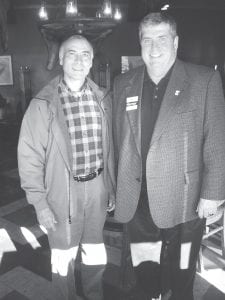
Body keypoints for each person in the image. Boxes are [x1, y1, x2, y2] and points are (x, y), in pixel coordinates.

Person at [113, 12, 225, 300]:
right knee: (144, 264)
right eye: (146, 39)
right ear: (139, 43)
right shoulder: (123, 83)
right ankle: (152, 293)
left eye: (162, 38)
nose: (154, 47)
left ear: (175, 41)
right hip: (136, 195)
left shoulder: (205, 80)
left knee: (182, 269)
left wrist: (212, 195)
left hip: (185, 197)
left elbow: (216, 141)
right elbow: (116, 140)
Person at [18, 35, 115, 300]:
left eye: (85, 54)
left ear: (92, 61)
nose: (79, 60)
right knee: (63, 258)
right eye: (71, 53)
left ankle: (94, 295)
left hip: (97, 189)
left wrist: (112, 187)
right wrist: (39, 203)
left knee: (95, 252)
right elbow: (29, 157)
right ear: (60, 59)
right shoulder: (42, 104)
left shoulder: (104, 98)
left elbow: (111, 148)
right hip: (62, 192)